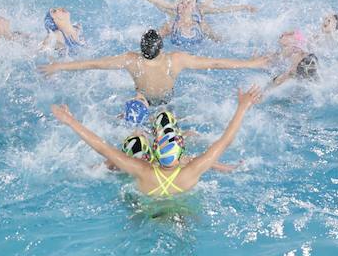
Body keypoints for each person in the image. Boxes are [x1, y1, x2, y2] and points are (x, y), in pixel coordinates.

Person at [50, 85, 263, 199]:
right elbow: (225, 140)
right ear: (181, 155)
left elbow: (102, 147)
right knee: (165, 121)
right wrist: (243, 107)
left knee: (134, 143)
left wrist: (70, 120)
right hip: (182, 210)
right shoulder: (192, 170)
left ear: (155, 152)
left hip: (144, 209)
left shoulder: (144, 170)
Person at [40, 28, 270, 110]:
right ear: (161, 48)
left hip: (142, 101)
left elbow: (93, 64)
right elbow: (216, 63)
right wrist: (251, 63)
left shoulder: (132, 60)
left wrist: (59, 66)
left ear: (142, 49)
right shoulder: (176, 59)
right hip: (168, 102)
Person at [123, 0, 255, 48]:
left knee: (212, 33)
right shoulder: (174, 9)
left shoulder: (201, 9)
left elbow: (219, 4)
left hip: (198, 39)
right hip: (175, 38)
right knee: (163, 29)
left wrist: (243, 6)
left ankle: (231, 42)